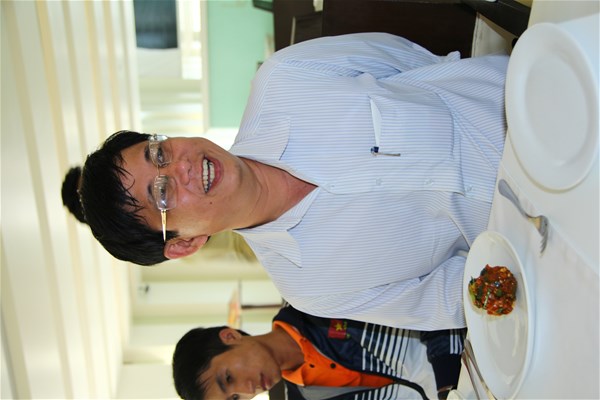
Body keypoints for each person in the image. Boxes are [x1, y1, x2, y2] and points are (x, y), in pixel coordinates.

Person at [72, 32, 508, 331]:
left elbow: (418, 62)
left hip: (528, 104)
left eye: (159, 153)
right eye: (162, 193)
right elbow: (451, 298)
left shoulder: (287, 76)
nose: (180, 167)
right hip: (530, 233)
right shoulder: (311, 288)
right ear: (184, 243)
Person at [172, 304, 466, 400]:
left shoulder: (313, 301)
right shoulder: (304, 398)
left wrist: (448, 384)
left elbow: (422, 297)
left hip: (471, 333)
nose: (248, 390)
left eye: (229, 378)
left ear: (230, 336)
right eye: (235, 399)